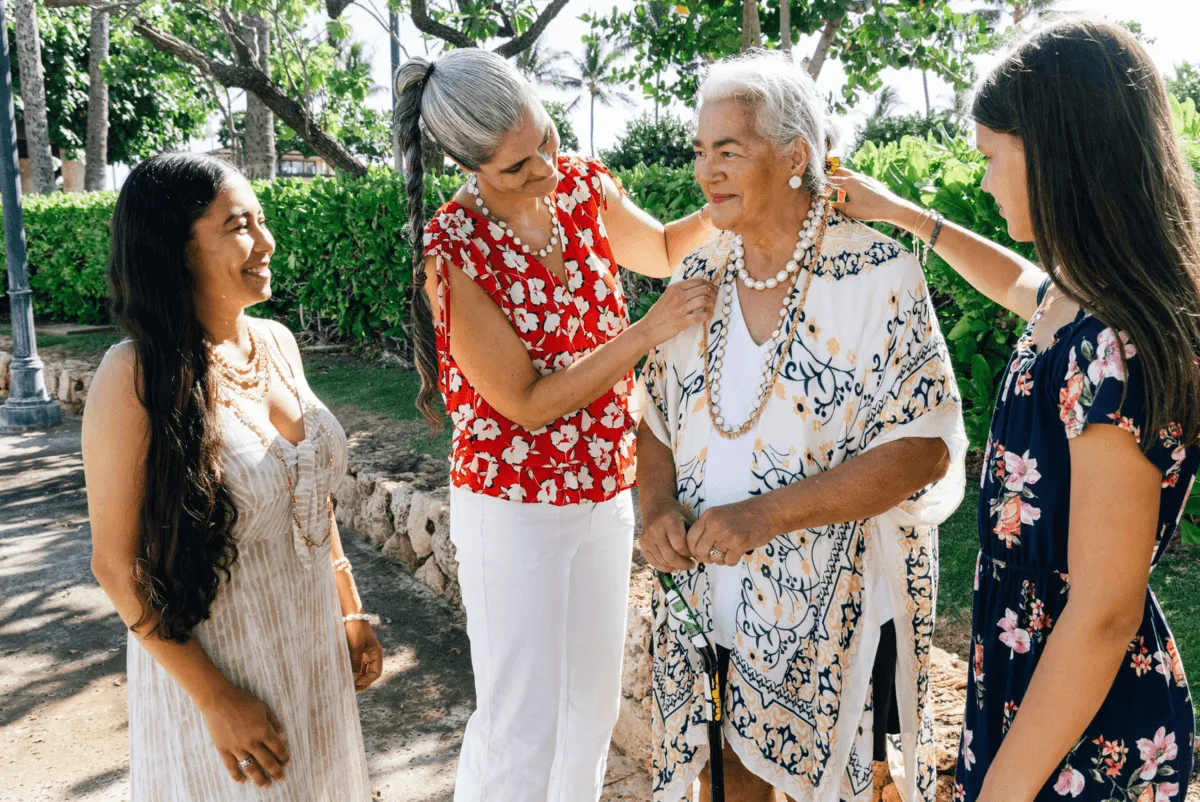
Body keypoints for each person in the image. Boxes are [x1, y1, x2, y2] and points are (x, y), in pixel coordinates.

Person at [833, 17, 1200, 802]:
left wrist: (1003, 790)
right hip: (1042, 693)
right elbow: (1015, 284)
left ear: (1054, 154)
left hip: (1080, 724)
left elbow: (1103, 612)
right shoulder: (1081, 301)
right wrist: (907, 216)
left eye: (992, 158)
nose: (988, 181)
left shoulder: (1115, 347)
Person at [637, 51, 968, 802]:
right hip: (710, 594)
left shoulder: (880, 272)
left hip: (841, 611)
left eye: (729, 150)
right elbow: (655, 418)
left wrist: (764, 516)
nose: (706, 171)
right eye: (700, 151)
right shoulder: (697, 275)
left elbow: (921, 449)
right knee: (725, 782)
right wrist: (654, 508)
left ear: (795, 158)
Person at [393, 47, 718, 802]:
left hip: (604, 491)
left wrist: (736, 201)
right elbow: (528, 402)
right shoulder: (454, 251)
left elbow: (667, 247)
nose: (544, 168)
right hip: (513, 506)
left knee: (590, 708)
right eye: (517, 166)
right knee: (521, 724)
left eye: (547, 139)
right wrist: (646, 332)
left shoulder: (583, 187)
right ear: (466, 165)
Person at [83, 153, 382, 801]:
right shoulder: (134, 374)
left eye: (262, 220)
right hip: (222, 670)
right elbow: (114, 564)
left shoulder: (276, 342)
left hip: (309, 649)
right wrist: (216, 699)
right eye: (239, 225)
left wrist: (350, 610)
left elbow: (310, 493)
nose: (266, 241)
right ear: (178, 249)